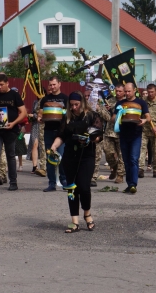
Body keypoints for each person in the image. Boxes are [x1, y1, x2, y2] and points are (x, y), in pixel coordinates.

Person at [49, 91, 103, 233]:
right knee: (72, 188)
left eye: (76, 105)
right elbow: (61, 135)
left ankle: (87, 213)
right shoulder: (67, 118)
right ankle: (75, 221)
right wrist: (53, 147)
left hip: (86, 155)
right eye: (71, 105)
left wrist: (91, 138)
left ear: (82, 103)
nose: (73, 108)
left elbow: (98, 135)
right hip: (70, 156)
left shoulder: (91, 116)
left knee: (84, 187)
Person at [113, 83, 150, 194]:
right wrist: (118, 114)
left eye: (129, 91)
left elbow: (148, 116)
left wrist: (144, 120)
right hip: (123, 135)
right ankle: (129, 185)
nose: (127, 93)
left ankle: (133, 184)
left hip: (136, 135)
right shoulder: (120, 104)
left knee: (133, 159)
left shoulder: (141, 103)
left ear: (134, 90)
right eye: (126, 91)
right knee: (126, 161)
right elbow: (113, 118)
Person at [39, 76, 69, 192]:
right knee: (50, 157)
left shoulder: (65, 98)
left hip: (61, 132)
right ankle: (51, 183)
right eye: (50, 85)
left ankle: (64, 181)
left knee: (61, 157)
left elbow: (69, 115)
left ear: (59, 84)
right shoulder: (45, 99)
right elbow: (41, 113)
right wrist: (40, 118)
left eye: (54, 84)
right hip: (48, 131)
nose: (52, 87)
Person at [139, 84, 156, 178]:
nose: (150, 94)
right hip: (145, 129)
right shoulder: (143, 100)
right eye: (149, 92)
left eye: (152, 92)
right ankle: (140, 169)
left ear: (155, 91)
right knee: (142, 149)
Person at [103, 84, 126, 184]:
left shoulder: (127, 102)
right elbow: (106, 116)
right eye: (116, 91)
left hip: (122, 131)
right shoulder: (110, 100)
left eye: (120, 91)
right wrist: (106, 110)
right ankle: (115, 167)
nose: (118, 93)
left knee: (121, 154)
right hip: (110, 131)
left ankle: (120, 175)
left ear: (124, 91)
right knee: (108, 153)